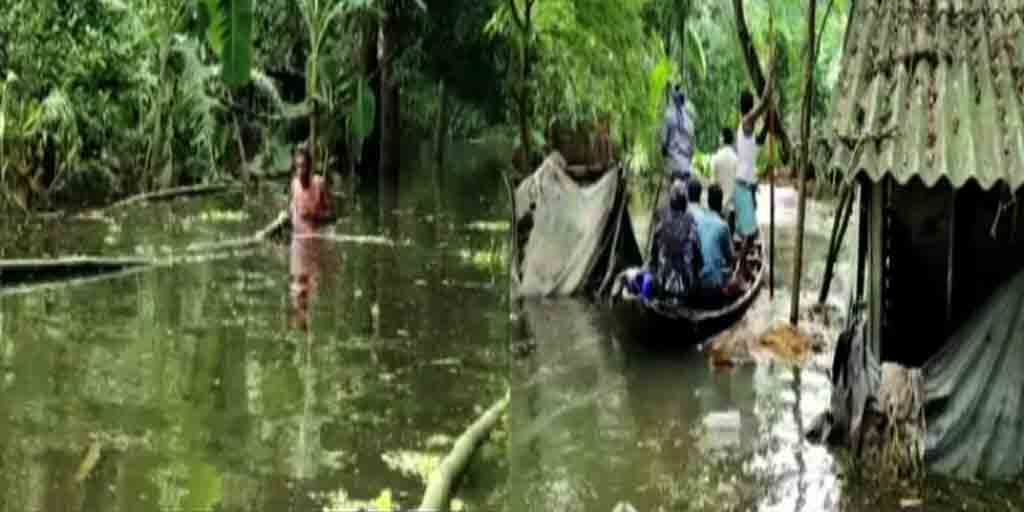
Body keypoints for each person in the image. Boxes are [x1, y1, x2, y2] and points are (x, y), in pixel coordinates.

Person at [734, 79, 774, 272]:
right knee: (750, 233)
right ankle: (740, 269)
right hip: (744, 184)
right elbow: (764, 101)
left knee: (748, 231)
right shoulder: (746, 121)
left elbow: (759, 142)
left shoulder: (748, 131)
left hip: (747, 185)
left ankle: (742, 264)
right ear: (750, 107)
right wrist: (771, 77)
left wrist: (767, 124)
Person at [649, 180, 702, 301]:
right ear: (685, 201)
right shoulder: (690, 220)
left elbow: (653, 257)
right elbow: (698, 255)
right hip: (685, 285)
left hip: (663, 284)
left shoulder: (662, 219)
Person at [689, 181, 737, 301]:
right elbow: (730, 258)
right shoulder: (723, 226)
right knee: (735, 276)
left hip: (697, 281)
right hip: (714, 285)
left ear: (708, 202)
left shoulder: (697, 221)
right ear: (721, 203)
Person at [289, 144, 333, 234]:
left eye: (303, 166)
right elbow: (293, 209)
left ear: (309, 167)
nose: (300, 171)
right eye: (298, 166)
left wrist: (313, 216)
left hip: (317, 235)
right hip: (299, 235)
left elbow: (332, 215)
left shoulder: (319, 184)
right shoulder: (294, 184)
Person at [662, 85, 696, 185]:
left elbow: (664, 140)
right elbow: (692, 145)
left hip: (674, 163)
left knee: (675, 190)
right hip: (686, 165)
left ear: (673, 99)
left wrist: (664, 149)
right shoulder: (689, 118)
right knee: (683, 188)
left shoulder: (669, 115)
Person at [710, 127, 739, 231]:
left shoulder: (715, 158)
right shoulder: (736, 159)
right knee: (730, 236)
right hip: (732, 208)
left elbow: (713, 183)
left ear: (722, 139)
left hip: (718, 208)